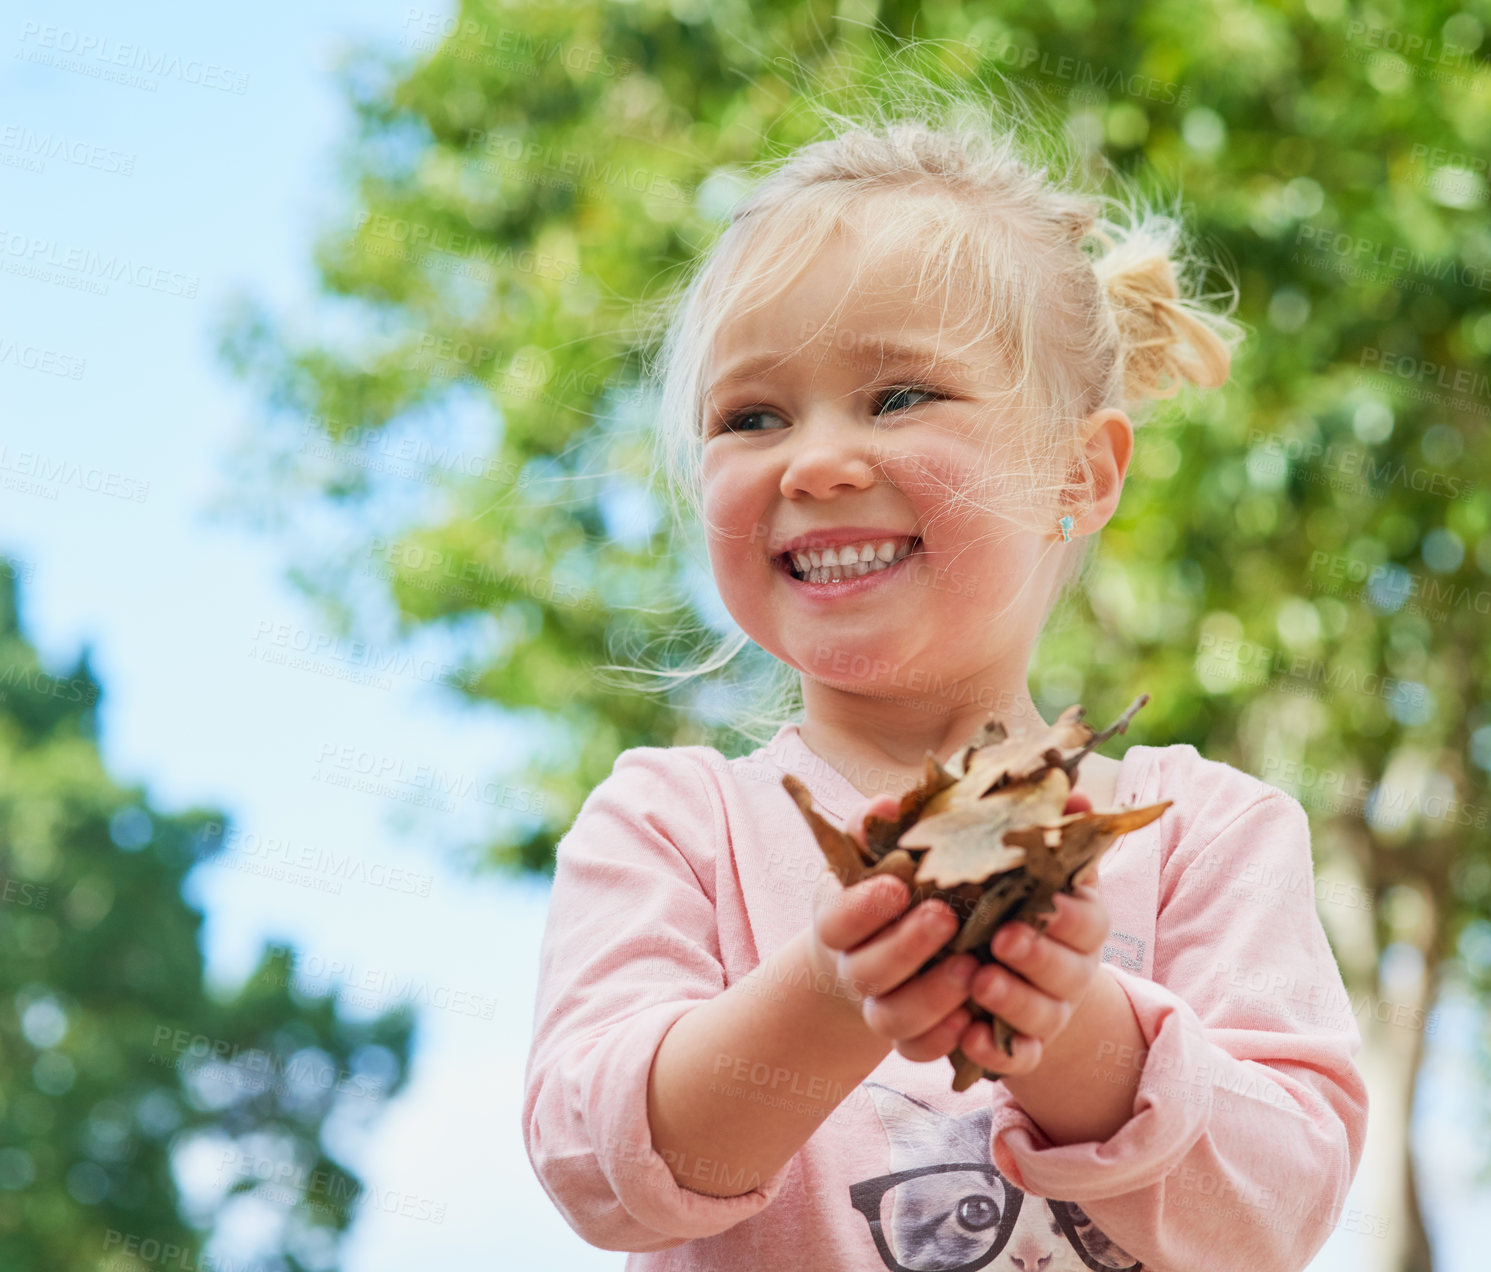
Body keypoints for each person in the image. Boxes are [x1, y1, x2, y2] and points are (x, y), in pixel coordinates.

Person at [524, 90, 1369, 1272]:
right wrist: (834, 985)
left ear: (1079, 473)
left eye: (900, 396)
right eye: (752, 415)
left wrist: (1063, 1023)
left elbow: (1273, 1211)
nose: (815, 463)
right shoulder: (671, 827)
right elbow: (600, 1167)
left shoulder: (1206, 836)